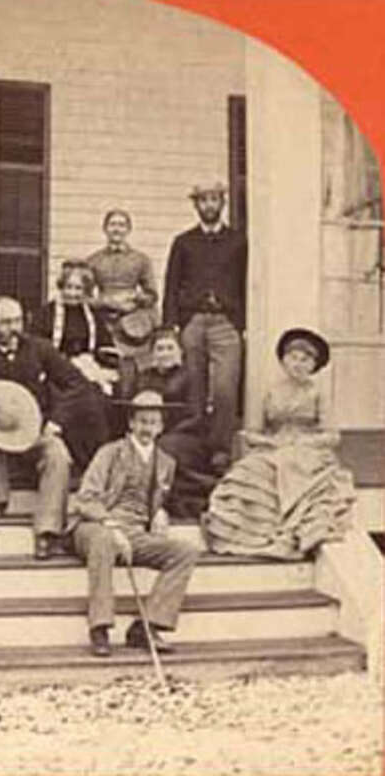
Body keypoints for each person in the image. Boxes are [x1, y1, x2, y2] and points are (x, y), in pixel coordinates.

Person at [69, 390, 201, 657]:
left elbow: (158, 499)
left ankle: (147, 626)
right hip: (96, 527)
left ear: (161, 427)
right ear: (131, 423)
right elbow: (85, 499)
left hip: (135, 533)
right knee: (104, 541)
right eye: (142, 421)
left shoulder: (166, 463)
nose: (147, 428)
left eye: (153, 422)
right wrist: (110, 523)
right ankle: (100, 627)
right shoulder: (109, 453)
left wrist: (161, 512)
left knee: (185, 552)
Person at [204, 328, 355, 560]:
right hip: (274, 447)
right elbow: (253, 433)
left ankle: (289, 530)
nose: (298, 364)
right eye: (293, 358)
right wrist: (266, 441)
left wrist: (303, 441)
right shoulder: (271, 392)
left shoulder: (318, 393)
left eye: (305, 360)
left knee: (290, 465)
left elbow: (332, 436)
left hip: (308, 451)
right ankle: (252, 536)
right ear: (284, 361)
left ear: (313, 366)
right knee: (249, 469)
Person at [0, 296, 85, 560]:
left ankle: (47, 532)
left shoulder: (41, 349)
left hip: (34, 433)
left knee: (58, 454)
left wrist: (56, 422)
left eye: (17, 320)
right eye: (6, 322)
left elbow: (76, 384)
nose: (13, 327)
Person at [162, 182, 247, 475]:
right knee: (194, 388)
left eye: (214, 200)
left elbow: (247, 283)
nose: (209, 205)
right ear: (195, 205)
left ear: (222, 203)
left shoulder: (238, 241)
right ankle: (196, 448)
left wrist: (243, 324)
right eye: (203, 200)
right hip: (194, 321)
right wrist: (171, 326)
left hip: (226, 322)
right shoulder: (184, 242)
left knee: (225, 389)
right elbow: (171, 286)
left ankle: (221, 449)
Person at [31, 259, 115, 467]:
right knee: (68, 401)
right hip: (55, 374)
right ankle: (70, 459)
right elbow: (36, 349)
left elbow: (106, 347)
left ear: (86, 290)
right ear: (61, 287)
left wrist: (94, 364)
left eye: (78, 288)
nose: (73, 293)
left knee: (97, 402)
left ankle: (95, 462)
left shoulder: (93, 316)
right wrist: (64, 363)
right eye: (68, 287)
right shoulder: (46, 314)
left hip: (87, 373)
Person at [134, 326, 215, 518]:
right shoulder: (145, 377)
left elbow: (197, 416)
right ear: (152, 353)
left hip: (188, 435)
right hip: (150, 433)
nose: (165, 354)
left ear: (179, 351)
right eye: (159, 349)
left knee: (163, 448)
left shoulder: (191, 376)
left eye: (170, 348)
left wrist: (163, 433)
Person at [87, 209, 158, 362]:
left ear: (128, 230)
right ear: (105, 228)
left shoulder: (141, 260)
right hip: (105, 321)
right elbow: (85, 297)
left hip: (132, 322)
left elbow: (152, 295)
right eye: (112, 224)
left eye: (121, 225)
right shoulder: (93, 261)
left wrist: (135, 298)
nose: (117, 229)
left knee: (134, 365)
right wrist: (107, 302)